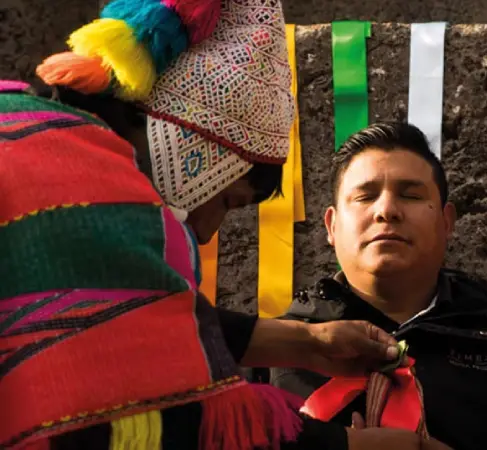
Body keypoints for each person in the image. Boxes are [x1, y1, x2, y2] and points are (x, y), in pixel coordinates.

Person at [0, 0, 450, 448]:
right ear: (195, 152)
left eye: (411, 195)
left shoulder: (36, 139)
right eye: (228, 201)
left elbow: (144, 323)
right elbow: (164, 411)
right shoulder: (94, 194)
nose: (207, 231)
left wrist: (307, 343)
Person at [275, 121, 487, 450]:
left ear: (446, 222)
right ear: (332, 226)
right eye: (365, 196)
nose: (387, 210)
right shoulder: (274, 352)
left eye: (410, 195)